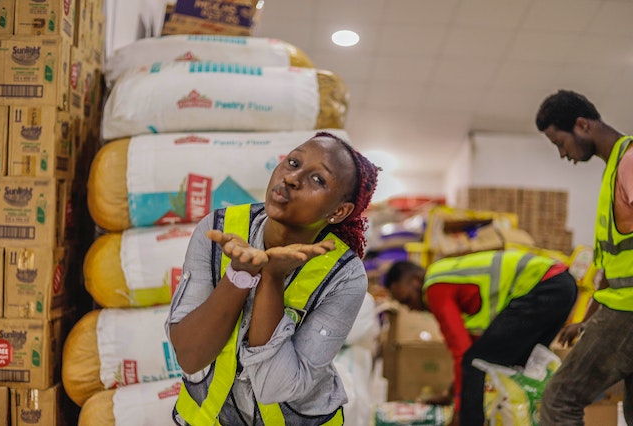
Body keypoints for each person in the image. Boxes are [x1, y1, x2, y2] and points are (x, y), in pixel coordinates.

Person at [165, 131, 380, 425]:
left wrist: (272, 279)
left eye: (318, 180)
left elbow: (275, 387)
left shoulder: (345, 276)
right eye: (293, 163)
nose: (292, 178)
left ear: (339, 211)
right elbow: (190, 356)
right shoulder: (220, 229)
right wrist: (240, 273)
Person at [383, 250, 577, 426]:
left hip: (544, 286)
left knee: (476, 363)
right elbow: (475, 346)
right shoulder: (450, 279)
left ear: (416, 280)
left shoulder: (435, 287)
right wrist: (451, 394)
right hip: (562, 286)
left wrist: (459, 412)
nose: (411, 308)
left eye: (407, 300)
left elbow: (464, 354)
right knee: (516, 365)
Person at [535, 89, 633, 425]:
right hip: (619, 307)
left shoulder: (630, 162)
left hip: (628, 312)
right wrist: (588, 320)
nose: (562, 154)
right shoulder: (613, 171)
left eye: (559, 143)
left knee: (559, 400)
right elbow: (612, 270)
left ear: (581, 125)